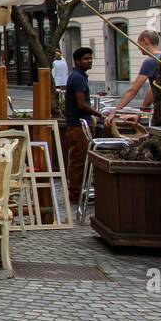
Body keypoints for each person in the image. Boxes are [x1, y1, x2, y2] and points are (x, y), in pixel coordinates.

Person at [64, 47, 102, 204]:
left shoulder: (78, 76)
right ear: (77, 61)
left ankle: (77, 191)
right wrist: (99, 114)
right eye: (86, 58)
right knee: (79, 159)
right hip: (78, 125)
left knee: (79, 158)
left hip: (78, 124)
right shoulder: (78, 78)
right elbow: (81, 105)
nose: (90, 61)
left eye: (90, 58)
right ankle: (75, 193)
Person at [104, 30, 159, 120]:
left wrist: (115, 112)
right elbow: (154, 89)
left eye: (139, 44)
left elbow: (133, 91)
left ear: (146, 41)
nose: (138, 48)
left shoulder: (150, 61)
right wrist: (142, 112)